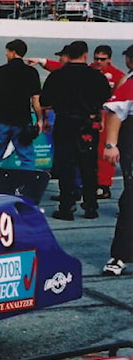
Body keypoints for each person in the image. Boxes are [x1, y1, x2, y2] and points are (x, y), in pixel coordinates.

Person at [40, 40, 113, 221]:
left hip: (65, 122)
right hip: (87, 124)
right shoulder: (96, 76)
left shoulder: (58, 76)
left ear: (68, 55)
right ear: (85, 55)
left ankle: (66, 206)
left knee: (65, 166)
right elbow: (106, 97)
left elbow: (44, 101)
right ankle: (90, 206)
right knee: (88, 166)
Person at [0, 39, 43, 169]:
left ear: (13, 53)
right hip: (22, 120)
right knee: (26, 157)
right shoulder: (31, 72)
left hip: (2, 119)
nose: (6, 55)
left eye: (7, 52)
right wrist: (39, 120)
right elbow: (36, 100)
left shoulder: (1, 71)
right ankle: (27, 185)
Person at [101, 45, 133, 276]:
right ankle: (120, 255)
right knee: (131, 199)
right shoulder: (130, 82)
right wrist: (111, 144)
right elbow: (116, 112)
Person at [91, 45, 126, 199]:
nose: (99, 62)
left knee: (103, 151)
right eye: (96, 58)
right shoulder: (88, 70)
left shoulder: (118, 76)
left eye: (102, 59)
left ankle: (104, 185)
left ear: (109, 59)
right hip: (89, 115)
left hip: (108, 116)